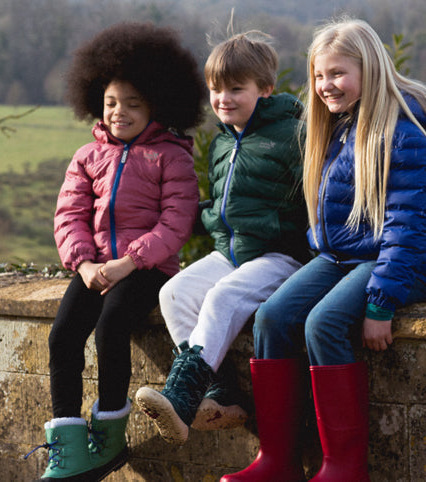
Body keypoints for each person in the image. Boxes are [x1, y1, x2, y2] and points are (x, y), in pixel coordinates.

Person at [221, 18, 426, 482]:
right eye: (319, 76)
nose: (326, 86)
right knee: (272, 317)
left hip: (398, 264)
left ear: (371, 70)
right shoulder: (338, 129)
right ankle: (278, 461)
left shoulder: (400, 133)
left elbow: (405, 229)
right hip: (339, 258)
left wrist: (381, 304)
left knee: (323, 323)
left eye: (338, 74)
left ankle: (343, 468)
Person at [28, 22, 205, 482]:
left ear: (156, 107)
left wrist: (129, 262)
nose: (119, 112)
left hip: (146, 270)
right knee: (63, 335)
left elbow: (176, 222)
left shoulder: (173, 157)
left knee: (111, 328)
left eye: (132, 104)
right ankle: (67, 447)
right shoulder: (87, 156)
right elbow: (68, 216)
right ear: (95, 102)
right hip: (94, 269)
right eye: (110, 103)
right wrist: (85, 264)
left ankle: (108, 440)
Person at [134, 30, 308, 446]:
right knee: (174, 294)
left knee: (223, 298)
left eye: (236, 88)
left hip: (279, 255)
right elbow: (222, 201)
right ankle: (221, 396)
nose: (223, 99)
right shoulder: (222, 141)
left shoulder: (294, 136)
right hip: (230, 251)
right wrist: (198, 216)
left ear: (265, 89)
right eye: (216, 89)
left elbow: (312, 200)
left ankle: (181, 396)